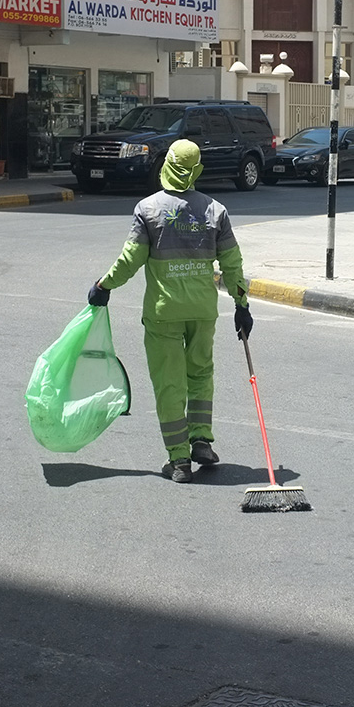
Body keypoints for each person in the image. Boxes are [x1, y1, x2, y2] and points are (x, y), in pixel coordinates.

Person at [88, 140, 253, 484]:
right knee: (201, 374)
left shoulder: (148, 210)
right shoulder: (215, 211)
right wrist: (242, 305)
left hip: (164, 313)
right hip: (203, 311)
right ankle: (202, 440)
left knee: (169, 384)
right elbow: (233, 265)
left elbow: (130, 260)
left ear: (166, 166)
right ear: (197, 171)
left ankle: (179, 460)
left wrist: (104, 286)